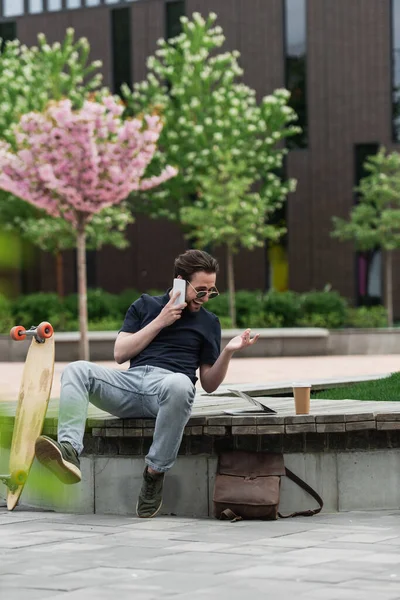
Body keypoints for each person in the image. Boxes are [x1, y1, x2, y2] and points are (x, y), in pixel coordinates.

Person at [34, 249, 259, 518]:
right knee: (76, 370)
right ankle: (69, 452)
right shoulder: (145, 305)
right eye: (200, 290)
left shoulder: (209, 323)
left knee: (180, 385)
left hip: (168, 388)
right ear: (180, 281)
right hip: (129, 383)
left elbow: (209, 384)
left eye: (212, 291)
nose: (206, 297)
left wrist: (228, 351)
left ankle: (154, 474)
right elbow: (120, 354)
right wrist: (160, 321)